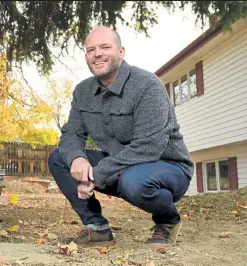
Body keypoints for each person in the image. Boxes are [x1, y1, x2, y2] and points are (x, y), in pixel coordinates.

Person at [49, 26, 194, 249]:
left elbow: (149, 147)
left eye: (105, 47)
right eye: (90, 50)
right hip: (120, 167)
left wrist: (95, 175)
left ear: (121, 52)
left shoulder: (147, 85)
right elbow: (72, 134)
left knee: (134, 181)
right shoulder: (82, 92)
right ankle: (97, 228)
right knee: (60, 158)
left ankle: (168, 221)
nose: (96, 54)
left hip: (167, 168)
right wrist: (77, 157)